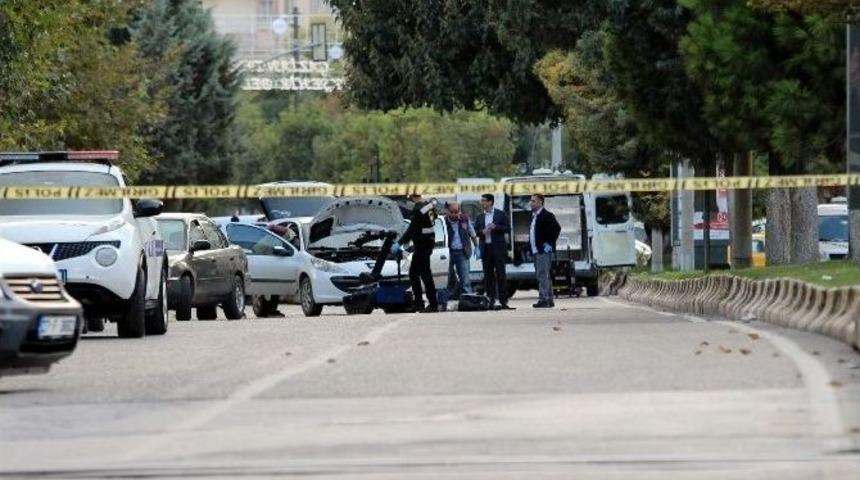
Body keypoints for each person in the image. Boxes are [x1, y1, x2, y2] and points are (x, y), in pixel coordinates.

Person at [392, 193, 439, 313]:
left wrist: (400, 243)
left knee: (424, 274)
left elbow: (412, 229)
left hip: (422, 245)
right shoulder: (429, 206)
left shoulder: (418, 209)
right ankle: (420, 303)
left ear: (413, 197)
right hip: (428, 243)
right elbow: (434, 219)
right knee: (414, 273)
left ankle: (431, 304)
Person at [474, 193, 513, 310]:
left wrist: (495, 227)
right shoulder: (480, 217)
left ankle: (503, 301)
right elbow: (476, 231)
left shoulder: (500, 214)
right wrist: (483, 231)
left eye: (484, 201)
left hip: (498, 249)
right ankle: (490, 300)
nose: (482, 203)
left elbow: (507, 228)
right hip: (486, 248)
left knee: (501, 275)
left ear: (490, 202)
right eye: (482, 201)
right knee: (488, 276)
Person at [529, 194, 561, 308]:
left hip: (543, 250)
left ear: (540, 202)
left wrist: (549, 242)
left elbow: (556, 228)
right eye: (531, 201)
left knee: (542, 274)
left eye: (533, 201)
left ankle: (544, 299)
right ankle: (549, 299)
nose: (531, 203)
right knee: (543, 275)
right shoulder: (534, 216)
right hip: (536, 250)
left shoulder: (547, 215)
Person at [444, 202, 478, 298]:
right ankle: (447, 298)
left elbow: (472, 234)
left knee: (465, 278)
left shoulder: (464, 219)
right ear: (447, 211)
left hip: (462, 252)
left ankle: (468, 298)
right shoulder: (444, 221)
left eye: (457, 211)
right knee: (447, 277)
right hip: (448, 253)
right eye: (452, 212)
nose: (455, 214)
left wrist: (477, 247)